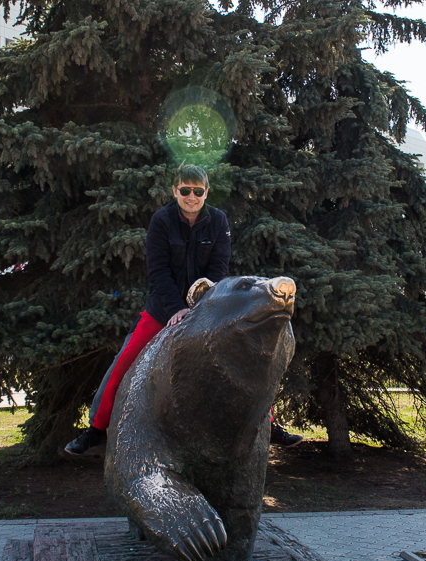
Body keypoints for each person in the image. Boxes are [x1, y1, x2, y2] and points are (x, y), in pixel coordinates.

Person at [66, 164, 302, 455]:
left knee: (242, 356)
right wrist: (176, 309)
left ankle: (268, 425)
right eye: (185, 190)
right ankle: (95, 430)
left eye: (198, 191)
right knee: (125, 360)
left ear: (206, 192)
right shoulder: (161, 221)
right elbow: (158, 272)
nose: (192, 197)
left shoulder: (218, 221)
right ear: (175, 190)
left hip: (207, 306)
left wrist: (200, 308)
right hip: (162, 307)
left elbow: (218, 269)